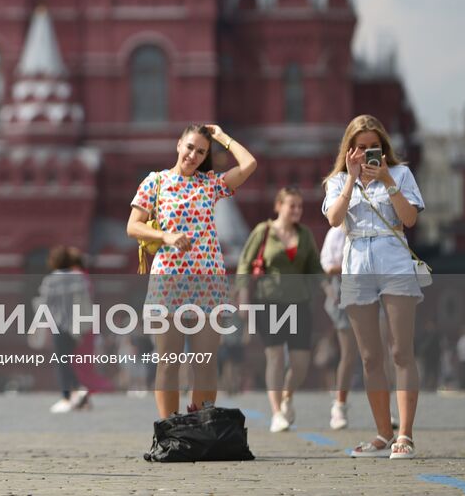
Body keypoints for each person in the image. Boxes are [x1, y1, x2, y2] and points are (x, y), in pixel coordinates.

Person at [127, 124, 257, 419]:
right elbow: (132, 225)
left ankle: (200, 425)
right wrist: (166, 237)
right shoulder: (155, 182)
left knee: (206, 362)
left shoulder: (210, 184)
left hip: (208, 282)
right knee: (168, 361)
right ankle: (169, 427)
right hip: (169, 281)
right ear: (178, 145)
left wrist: (223, 137)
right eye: (190, 147)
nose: (194, 155)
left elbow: (249, 164)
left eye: (201, 151)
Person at [322, 113, 426, 460]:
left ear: (384, 148)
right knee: (369, 356)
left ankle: (405, 434)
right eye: (360, 148)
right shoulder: (337, 181)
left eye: (374, 148)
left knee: (400, 351)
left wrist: (386, 179)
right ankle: (383, 432)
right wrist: (352, 180)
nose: (368, 154)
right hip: (357, 264)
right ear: (349, 150)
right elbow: (335, 219)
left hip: (393, 258)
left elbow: (409, 219)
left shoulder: (400, 173)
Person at [236, 187, 322, 432]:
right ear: (279, 206)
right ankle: (276, 413)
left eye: (299, 206)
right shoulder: (263, 231)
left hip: (300, 304)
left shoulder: (305, 234)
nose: (296, 210)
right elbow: (244, 263)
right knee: (274, 356)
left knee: (300, 362)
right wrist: (243, 295)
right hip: (269, 302)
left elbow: (315, 267)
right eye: (291, 205)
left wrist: (327, 287)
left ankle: (287, 395)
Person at [37, 246, 92, 413]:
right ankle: (78, 393)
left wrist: (40, 325)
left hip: (59, 325)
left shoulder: (51, 280)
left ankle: (67, 396)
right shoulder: (79, 278)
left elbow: (44, 303)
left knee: (61, 361)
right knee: (68, 359)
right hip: (77, 326)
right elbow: (87, 300)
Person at [320, 223, 358, 429]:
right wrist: (351, 265)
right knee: (349, 353)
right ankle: (340, 405)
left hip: (371, 289)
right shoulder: (336, 233)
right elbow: (327, 265)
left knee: (382, 351)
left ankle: (387, 408)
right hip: (344, 292)